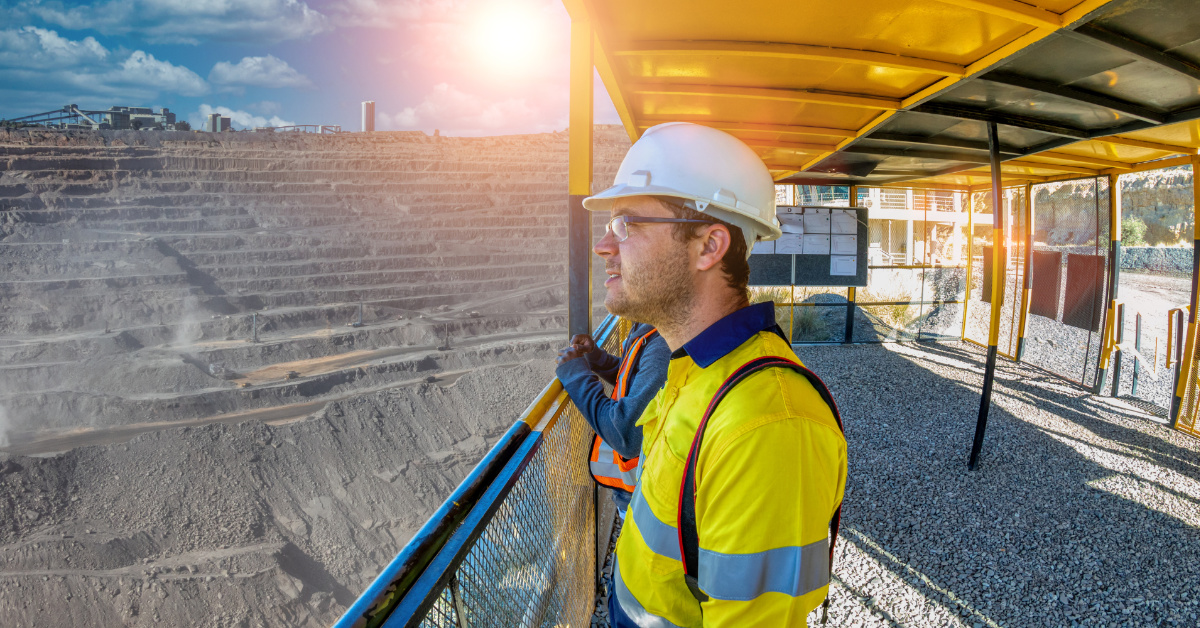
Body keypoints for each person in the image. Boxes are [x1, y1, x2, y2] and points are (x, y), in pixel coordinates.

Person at [583, 122, 848, 627]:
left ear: (709, 246)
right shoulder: (692, 368)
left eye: (626, 225)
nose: (603, 246)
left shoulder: (768, 424)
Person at [556, 320, 670, 515]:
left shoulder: (663, 344)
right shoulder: (648, 327)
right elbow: (638, 380)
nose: (609, 287)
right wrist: (597, 358)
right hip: (638, 492)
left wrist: (576, 376)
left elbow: (625, 435)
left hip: (644, 500)